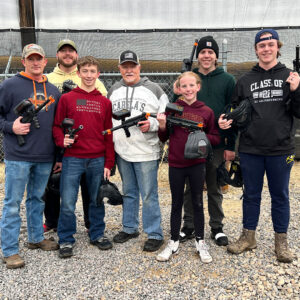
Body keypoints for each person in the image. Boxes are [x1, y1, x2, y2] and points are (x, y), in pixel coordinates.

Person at [219, 29, 300, 263]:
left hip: (280, 149)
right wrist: (226, 121)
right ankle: (248, 237)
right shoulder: (245, 81)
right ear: (256, 49)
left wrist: (296, 91)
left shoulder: (290, 76)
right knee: (251, 195)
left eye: (270, 44)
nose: (266, 49)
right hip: (251, 149)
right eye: (261, 45)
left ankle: (281, 243)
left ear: (277, 47)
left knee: (280, 196)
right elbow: (234, 113)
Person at [0, 44, 60, 269]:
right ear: (23, 61)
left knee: (37, 199)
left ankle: (36, 238)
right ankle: (10, 250)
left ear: (46, 62)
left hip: (45, 156)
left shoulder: (53, 91)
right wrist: (10, 127)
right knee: (12, 203)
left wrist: (57, 155)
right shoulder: (9, 85)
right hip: (18, 156)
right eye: (31, 59)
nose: (35, 63)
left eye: (39, 59)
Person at [174, 36, 236, 246]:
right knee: (191, 187)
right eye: (203, 52)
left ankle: (216, 227)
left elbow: (232, 114)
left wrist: (230, 145)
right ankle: (189, 225)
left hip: (215, 142)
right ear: (198, 56)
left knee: (213, 186)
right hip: (190, 144)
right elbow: (177, 109)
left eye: (210, 52)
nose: (206, 55)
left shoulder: (227, 80)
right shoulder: (189, 80)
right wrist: (176, 94)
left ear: (216, 56)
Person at [53, 56, 114, 258]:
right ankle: (66, 239)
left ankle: (97, 234)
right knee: (68, 201)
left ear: (99, 74)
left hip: (97, 159)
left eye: (92, 71)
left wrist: (109, 162)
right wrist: (62, 140)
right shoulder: (67, 98)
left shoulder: (104, 102)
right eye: (85, 71)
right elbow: (56, 126)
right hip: (73, 159)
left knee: (96, 199)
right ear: (78, 73)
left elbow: (108, 133)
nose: (89, 75)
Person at [156, 72, 220, 262]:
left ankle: (200, 241)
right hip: (176, 163)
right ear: (179, 89)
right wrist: (161, 125)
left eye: (192, 85)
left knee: (197, 202)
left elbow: (215, 137)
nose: (188, 89)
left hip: (197, 164)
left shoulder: (206, 111)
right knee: (176, 203)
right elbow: (164, 137)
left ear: (198, 87)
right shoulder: (173, 109)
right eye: (184, 86)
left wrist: (199, 136)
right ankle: (174, 240)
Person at [44, 39, 108, 232]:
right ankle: (59, 229)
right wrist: (60, 146)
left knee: (93, 195)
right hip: (65, 151)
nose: (67, 54)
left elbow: (106, 127)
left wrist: (108, 161)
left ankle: (94, 228)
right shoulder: (50, 81)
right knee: (62, 195)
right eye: (63, 51)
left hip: (94, 154)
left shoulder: (101, 96)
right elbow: (57, 124)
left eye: (70, 51)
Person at [108, 50, 168, 252]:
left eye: (132, 66)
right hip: (123, 151)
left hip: (146, 152)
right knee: (129, 192)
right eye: (124, 67)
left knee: (149, 194)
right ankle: (130, 227)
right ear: (119, 69)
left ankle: (154, 232)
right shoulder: (114, 90)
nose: (129, 70)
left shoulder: (155, 89)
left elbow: (164, 117)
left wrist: (150, 125)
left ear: (139, 67)